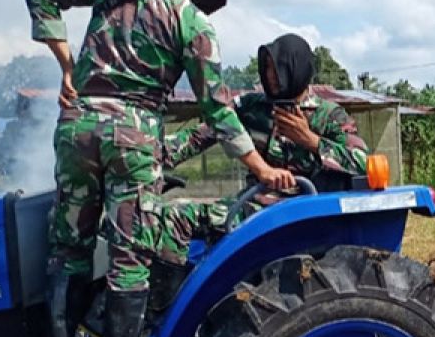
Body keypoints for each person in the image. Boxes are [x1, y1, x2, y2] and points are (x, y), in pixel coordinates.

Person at [26, 0, 295, 337]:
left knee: (69, 243)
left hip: (78, 125)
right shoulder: (194, 24)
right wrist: (260, 167)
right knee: (132, 249)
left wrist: (68, 66)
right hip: (133, 135)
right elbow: (218, 110)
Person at [157, 33, 369, 266]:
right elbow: (205, 133)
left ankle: (165, 300)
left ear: (296, 69)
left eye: (277, 68)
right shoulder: (252, 107)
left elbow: (361, 162)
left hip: (299, 215)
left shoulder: (329, 115)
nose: (270, 75)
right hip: (253, 206)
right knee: (165, 216)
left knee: (175, 218)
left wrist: (310, 140)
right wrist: (154, 156)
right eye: (266, 67)